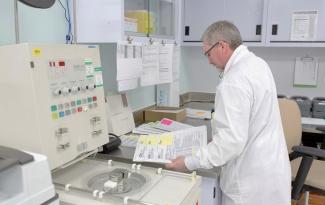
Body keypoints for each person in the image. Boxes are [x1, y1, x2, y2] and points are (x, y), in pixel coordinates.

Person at [166, 21, 291, 205]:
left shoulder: (233, 81)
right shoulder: (257, 64)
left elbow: (231, 142)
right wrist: (219, 137)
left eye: (208, 53)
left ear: (222, 46)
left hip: (249, 185)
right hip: (271, 172)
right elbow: (247, 123)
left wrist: (188, 162)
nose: (208, 60)